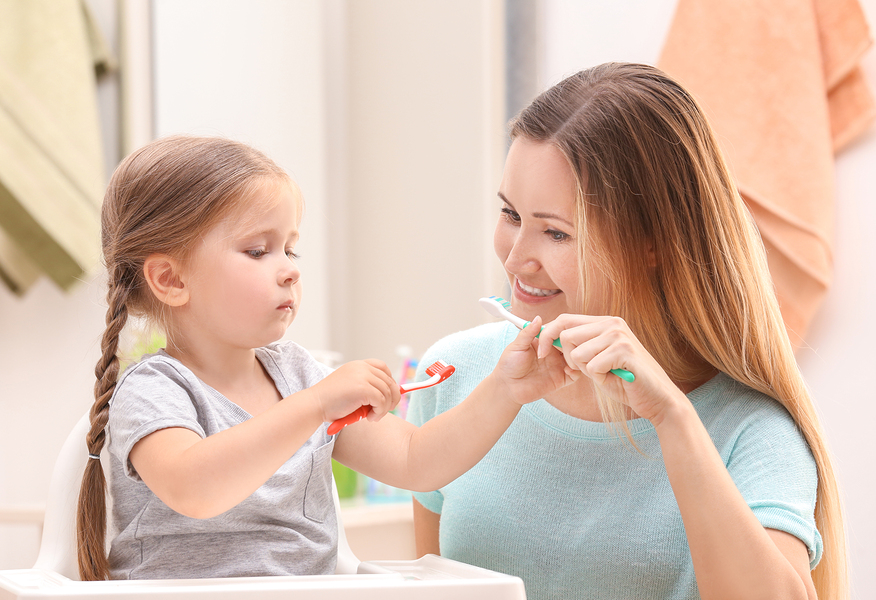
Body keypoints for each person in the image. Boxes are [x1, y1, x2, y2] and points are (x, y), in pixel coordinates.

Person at [408, 62, 847, 600]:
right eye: (511, 215)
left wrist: (673, 419)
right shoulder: (454, 375)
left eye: (555, 233)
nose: (516, 259)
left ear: (653, 244)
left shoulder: (752, 432)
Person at [75, 135, 569, 581]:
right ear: (171, 280)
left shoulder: (298, 374)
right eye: (258, 251)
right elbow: (195, 488)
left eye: (290, 250)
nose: (289, 271)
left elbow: (416, 460)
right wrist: (314, 406)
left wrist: (506, 388)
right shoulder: (152, 389)